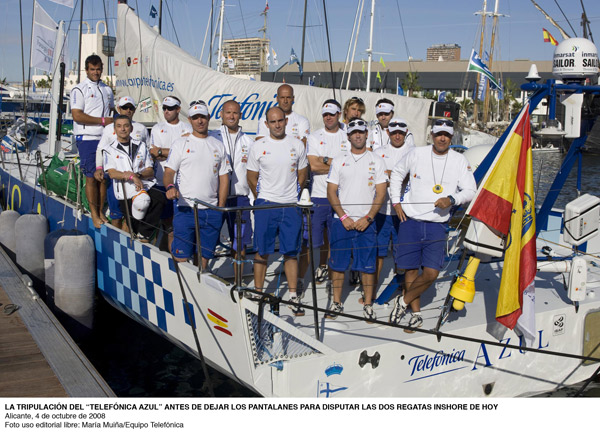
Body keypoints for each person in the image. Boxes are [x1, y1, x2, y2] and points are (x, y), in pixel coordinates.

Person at [389, 119, 476, 331]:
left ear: (451, 136)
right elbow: (397, 174)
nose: (442, 138)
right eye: (438, 134)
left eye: (446, 134)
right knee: (409, 270)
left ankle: (402, 302)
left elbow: (470, 190)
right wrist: (396, 201)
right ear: (432, 135)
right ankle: (415, 314)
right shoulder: (417, 153)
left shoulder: (458, 160)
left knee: (431, 273)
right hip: (410, 221)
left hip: (437, 224)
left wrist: (452, 200)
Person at [247, 106, 308, 315]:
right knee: (262, 250)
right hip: (266, 205)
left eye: (280, 120)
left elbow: (302, 172)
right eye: (273, 122)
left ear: (286, 121)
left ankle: (293, 296)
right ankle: (257, 292)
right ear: (266, 124)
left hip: (291, 205)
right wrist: (261, 199)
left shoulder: (297, 145)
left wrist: (294, 195)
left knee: (291, 252)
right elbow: (251, 177)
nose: (277, 125)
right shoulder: (258, 146)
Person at [326, 118, 387, 321]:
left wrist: (368, 218)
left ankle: (368, 304)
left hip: (366, 223)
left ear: (367, 134)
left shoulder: (377, 160)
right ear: (348, 136)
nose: (358, 135)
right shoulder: (339, 160)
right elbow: (331, 192)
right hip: (341, 222)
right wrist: (343, 216)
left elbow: (380, 194)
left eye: (361, 132)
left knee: (368, 266)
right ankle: (336, 302)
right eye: (354, 133)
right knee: (337, 265)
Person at [163, 101, 230, 269]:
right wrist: (170, 188)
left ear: (208, 118)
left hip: (211, 211)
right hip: (186, 209)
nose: (199, 121)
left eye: (202, 117)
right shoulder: (180, 144)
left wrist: (220, 208)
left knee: (204, 258)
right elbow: (169, 172)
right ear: (190, 120)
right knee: (182, 258)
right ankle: (182, 290)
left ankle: (199, 287)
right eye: (195, 118)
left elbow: (224, 178)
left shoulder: (218, 145)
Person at [298, 99, 349, 289]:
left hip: (342, 198)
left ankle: (326, 270)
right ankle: (302, 278)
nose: (328, 117)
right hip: (319, 196)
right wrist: (339, 164)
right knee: (310, 241)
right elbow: (313, 166)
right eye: (325, 114)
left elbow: (351, 164)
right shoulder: (314, 136)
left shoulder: (348, 136)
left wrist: (326, 160)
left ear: (339, 115)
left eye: (332, 114)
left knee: (333, 239)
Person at [209, 100, 254, 282]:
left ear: (240, 115)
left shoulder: (248, 141)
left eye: (235, 113)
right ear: (221, 114)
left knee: (240, 241)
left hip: (240, 199)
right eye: (228, 112)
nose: (231, 116)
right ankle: (203, 273)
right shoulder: (213, 138)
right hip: (215, 197)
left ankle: (238, 279)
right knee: (209, 237)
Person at [102, 115, 165, 242]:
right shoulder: (109, 149)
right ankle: (134, 238)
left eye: (126, 126)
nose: (123, 129)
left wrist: (138, 176)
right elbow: (112, 173)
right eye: (119, 126)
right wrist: (130, 176)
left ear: (131, 128)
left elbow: (150, 170)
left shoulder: (141, 145)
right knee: (132, 222)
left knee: (161, 198)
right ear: (115, 130)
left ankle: (145, 234)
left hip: (145, 186)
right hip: (125, 191)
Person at [71, 54, 114, 228]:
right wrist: (102, 121)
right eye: (92, 69)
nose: (96, 72)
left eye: (98, 69)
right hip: (87, 137)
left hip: (104, 138)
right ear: (86, 70)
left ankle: (101, 211)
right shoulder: (79, 89)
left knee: (103, 177)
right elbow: (77, 115)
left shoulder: (107, 89)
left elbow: (111, 111)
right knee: (91, 177)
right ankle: (94, 213)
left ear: (102, 69)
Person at [94, 96, 149, 230]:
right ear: (119, 108)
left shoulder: (141, 128)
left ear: (134, 110)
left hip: (135, 181)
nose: (127, 110)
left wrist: (140, 174)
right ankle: (116, 237)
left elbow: (147, 150)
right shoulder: (109, 128)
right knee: (116, 215)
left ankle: (127, 239)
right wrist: (99, 167)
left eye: (130, 108)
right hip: (117, 179)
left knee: (131, 215)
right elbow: (100, 149)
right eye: (124, 107)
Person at [373, 118, 415, 289]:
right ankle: (373, 288)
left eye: (401, 132)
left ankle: (401, 287)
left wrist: (390, 175)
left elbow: (412, 177)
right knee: (378, 253)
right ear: (388, 132)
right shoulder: (377, 152)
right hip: (382, 211)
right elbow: (376, 178)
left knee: (403, 255)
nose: (397, 135)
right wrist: (398, 176)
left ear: (406, 133)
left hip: (405, 212)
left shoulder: (415, 152)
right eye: (394, 132)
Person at [150, 96, 192, 252]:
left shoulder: (188, 128)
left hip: (182, 184)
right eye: (165, 108)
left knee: (177, 224)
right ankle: (165, 253)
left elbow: (185, 155)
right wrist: (173, 153)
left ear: (178, 109)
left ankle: (176, 254)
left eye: (171, 108)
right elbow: (154, 153)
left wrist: (162, 151)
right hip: (161, 183)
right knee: (165, 222)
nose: (167, 111)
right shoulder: (156, 128)